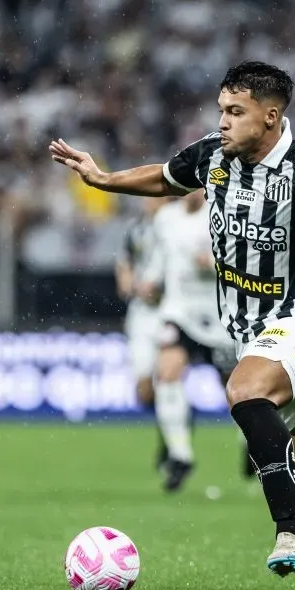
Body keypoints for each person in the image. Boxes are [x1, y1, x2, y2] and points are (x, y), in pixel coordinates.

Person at [49, 60, 295, 590]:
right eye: (221, 110)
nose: (223, 121)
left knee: (245, 390)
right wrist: (105, 178)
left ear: (270, 116)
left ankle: (290, 534)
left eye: (235, 111)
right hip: (248, 331)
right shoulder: (213, 154)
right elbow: (165, 177)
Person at [144, 189, 246, 492]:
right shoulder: (165, 217)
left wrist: (214, 263)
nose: (189, 190)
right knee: (166, 373)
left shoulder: (225, 214)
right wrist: (151, 279)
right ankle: (180, 454)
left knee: (237, 389)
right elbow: (162, 255)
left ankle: (249, 441)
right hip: (179, 312)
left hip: (219, 316)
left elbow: (245, 260)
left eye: (195, 184)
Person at [115, 196, 171, 469]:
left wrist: (161, 287)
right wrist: (127, 283)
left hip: (171, 311)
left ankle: (173, 442)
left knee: (167, 379)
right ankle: (171, 423)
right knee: (144, 389)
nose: (148, 201)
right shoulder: (135, 228)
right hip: (141, 313)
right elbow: (124, 262)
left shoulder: (176, 226)